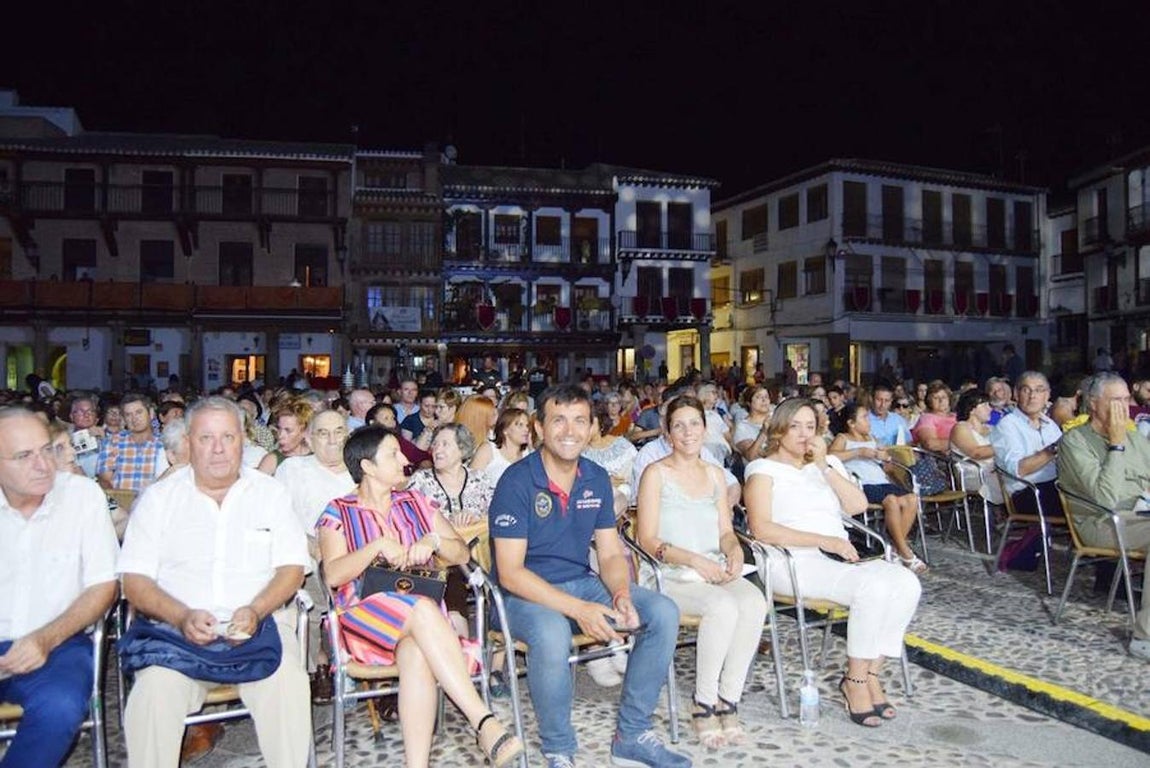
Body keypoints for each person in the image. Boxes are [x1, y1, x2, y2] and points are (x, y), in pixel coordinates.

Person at [489, 385, 691, 768]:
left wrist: (619, 595)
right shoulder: (516, 481)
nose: (570, 430)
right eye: (559, 420)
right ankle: (559, 750)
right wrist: (580, 609)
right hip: (521, 595)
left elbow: (611, 551)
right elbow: (511, 574)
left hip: (581, 581)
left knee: (662, 611)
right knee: (553, 633)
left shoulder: (595, 477)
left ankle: (631, 736)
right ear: (538, 427)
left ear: (592, 427)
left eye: (580, 421)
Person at [117, 397, 312, 767]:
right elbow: (134, 581)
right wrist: (181, 616)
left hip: (259, 625)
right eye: (207, 438)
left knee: (288, 685)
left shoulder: (270, 494)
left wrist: (256, 609)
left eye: (229, 437)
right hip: (177, 633)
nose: (219, 449)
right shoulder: (159, 499)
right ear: (188, 442)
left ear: (244, 440)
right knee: (152, 696)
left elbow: (291, 569)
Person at [317, 426, 523, 768]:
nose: (405, 460)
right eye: (393, 454)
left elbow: (460, 553)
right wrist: (377, 547)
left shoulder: (416, 502)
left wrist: (434, 541)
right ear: (367, 466)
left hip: (419, 629)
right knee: (424, 609)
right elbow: (334, 574)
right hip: (363, 621)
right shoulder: (338, 511)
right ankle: (483, 721)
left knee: (415, 653)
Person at [744, 398, 921, 728]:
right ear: (779, 429)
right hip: (791, 561)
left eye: (810, 427)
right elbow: (761, 528)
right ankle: (855, 683)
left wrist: (825, 466)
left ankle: (869, 672)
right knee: (873, 588)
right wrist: (824, 540)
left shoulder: (823, 466)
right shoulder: (762, 470)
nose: (803, 434)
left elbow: (856, 506)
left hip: (837, 558)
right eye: (795, 426)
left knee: (906, 582)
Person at [635, 395, 766, 749]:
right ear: (667, 432)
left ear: (705, 429)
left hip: (711, 568)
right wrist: (693, 560)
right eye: (679, 425)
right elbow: (646, 539)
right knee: (722, 607)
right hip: (669, 574)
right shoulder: (656, 474)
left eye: (694, 423)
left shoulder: (713, 475)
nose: (688, 432)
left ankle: (729, 699)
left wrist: (734, 549)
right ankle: (703, 702)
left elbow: (725, 531)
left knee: (754, 603)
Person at [0, 407, 120, 768]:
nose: (43, 465)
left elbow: (103, 586)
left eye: (47, 449)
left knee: (60, 707)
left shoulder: (82, 497)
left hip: (59, 643)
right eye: (24, 456)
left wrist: (45, 639)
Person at [1056, 373, 1150, 661]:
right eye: (1116, 400)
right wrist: (1116, 445)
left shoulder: (1136, 437)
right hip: (1101, 523)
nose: (1124, 406)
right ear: (1094, 404)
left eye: (1126, 399)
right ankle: (1144, 637)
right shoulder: (1075, 441)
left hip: (1141, 516)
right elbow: (1105, 497)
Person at [829, 404, 926, 573]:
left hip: (881, 480)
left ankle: (896, 548)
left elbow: (883, 461)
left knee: (911, 499)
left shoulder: (872, 438)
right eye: (864, 417)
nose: (868, 421)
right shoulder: (843, 438)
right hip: (863, 484)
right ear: (852, 423)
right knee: (891, 501)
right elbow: (831, 457)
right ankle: (905, 552)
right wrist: (859, 452)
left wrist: (884, 457)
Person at [990, 371, 1064, 518]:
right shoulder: (1007, 425)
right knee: (1086, 502)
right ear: (1016, 394)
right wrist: (1053, 449)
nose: (1032, 396)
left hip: (1055, 485)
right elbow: (1018, 470)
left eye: (1039, 390)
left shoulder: (1050, 424)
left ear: (1047, 395)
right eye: (1026, 390)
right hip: (1027, 492)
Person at [406, 424, 495, 528]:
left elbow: (496, 514)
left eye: (445, 444)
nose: (437, 450)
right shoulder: (420, 480)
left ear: (462, 449)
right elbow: (408, 518)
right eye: (435, 444)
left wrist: (476, 519)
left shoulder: (479, 479)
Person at [96, 393, 164, 492]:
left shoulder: (164, 443)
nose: (134, 418)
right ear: (123, 419)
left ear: (151, 413)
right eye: (128, 415)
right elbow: (105, 480)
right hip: (121, 503)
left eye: (139, 412)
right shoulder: (113, 442)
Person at [584, 401, 640, 520]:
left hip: (622, 505)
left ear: (601, 423)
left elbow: (633, 479)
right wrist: (603, 482)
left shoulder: (622, 446)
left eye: (588, 422)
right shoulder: (577, 452)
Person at [949, 390, 1004, 506]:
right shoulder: (961, 428)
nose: (990, 409)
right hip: (975, 473)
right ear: (972, 409)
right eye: (985, 405)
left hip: (995, 469)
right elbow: (976, 453)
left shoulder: (991, 428)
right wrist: (1006, 446)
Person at [473, 407, 532, 486]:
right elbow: (471, 483)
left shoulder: (528, 454)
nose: (526, 430)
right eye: (520, 425)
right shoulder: (488, 450)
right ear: (505, 430)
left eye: (527, 426)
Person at [257, 398, 313, 474]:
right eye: (279, 428)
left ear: (304, 431)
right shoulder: (271, 461)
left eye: (288, 430)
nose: (280, 436)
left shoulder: (317, 458)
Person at [732, 384, 773, 463]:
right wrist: (764, 432)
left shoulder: (777, 418)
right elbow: (751, 457)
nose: (764, 400)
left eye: (766, 397)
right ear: (749, 402)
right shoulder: (742, 427)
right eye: (758, 397)